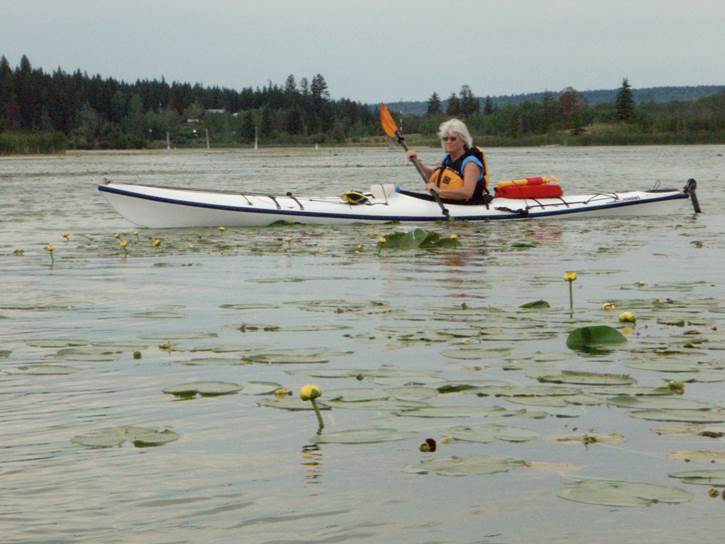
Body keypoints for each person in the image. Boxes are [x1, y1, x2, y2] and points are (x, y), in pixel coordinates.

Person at [406, 118, 489, 202]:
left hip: (469, 205)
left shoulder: (470, 164)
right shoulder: (447, 159)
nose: (448, 142)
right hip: (449, 202)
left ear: (463, 141)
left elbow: (467, 192)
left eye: (453, 139)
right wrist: (418, 163)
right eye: (445, 139)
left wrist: (439, 191)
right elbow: (433, 177)